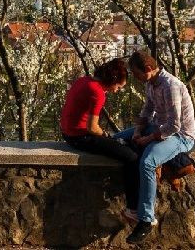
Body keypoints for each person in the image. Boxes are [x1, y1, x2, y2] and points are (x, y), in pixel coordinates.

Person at [114, 51, 195, 244]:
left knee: (148, 162)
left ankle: (145, 218)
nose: (135, 78)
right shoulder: (151, 84)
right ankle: (133, 206)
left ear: (149, 69)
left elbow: (174, 125)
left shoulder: (171, 86)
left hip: (180, 136)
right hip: (158, 127)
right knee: (116, 140)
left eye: (136, 74)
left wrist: (149, 138)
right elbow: (147, 110)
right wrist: (138, 130)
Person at [59, 58, 140, 216]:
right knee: (131, 157)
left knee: (122, 144)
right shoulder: (97, 92)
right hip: (80, 136)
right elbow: (92, 127)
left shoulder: (83, 80)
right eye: (118, 86)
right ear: (113, 80)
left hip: (67, 132)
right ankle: (133, 208)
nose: (117, 91)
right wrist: (106, 136)